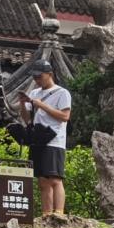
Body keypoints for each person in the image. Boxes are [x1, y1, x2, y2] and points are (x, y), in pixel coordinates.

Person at [14, 64, 73, 218]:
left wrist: (41, 105)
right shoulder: (34, 92)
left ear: (49, 74)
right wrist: (22, 103)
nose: (37, 80)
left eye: (39, 76)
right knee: (42, 180)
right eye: (35, 77)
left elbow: (65, 116)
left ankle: (59, 213)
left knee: (55, 179)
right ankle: (47, 214)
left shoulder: (62, 93)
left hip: (54, 140)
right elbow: (28, 119)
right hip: (38, 139)